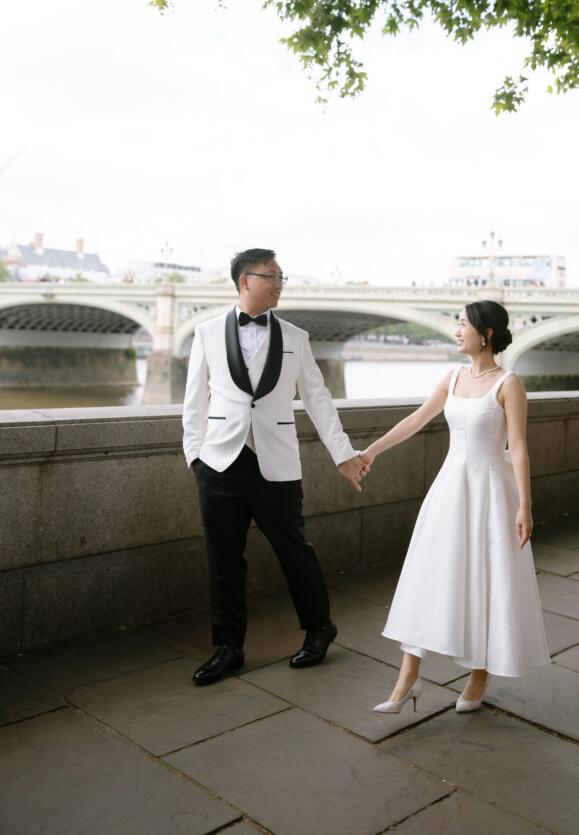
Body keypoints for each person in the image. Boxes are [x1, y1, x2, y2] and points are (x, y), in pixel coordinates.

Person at [183, 248, 368, 685]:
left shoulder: (297, 338)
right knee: (224, 559)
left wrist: (343, 454)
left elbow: (318, 399)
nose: (280, 284)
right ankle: (229, 647)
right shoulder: (206, 332)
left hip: (277, 464)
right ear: (245, 281)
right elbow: (194, 400)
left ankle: (320, 627)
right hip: (219, 463)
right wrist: (196, 456)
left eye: (282, 277)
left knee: (295, 551)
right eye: (272, 277)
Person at [361, 300, 549, 714]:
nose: (456, 330)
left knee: (486, 579)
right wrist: (370, 452)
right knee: (429, 575)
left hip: (491, 494)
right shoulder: (452, 377)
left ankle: (479, 675)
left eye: (463, 324)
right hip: (450, 490)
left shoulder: (509, 383)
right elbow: (415, 420)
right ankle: (408, 677)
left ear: (487, 334)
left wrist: (525, 506)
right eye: (457, 323)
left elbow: (517, 447)